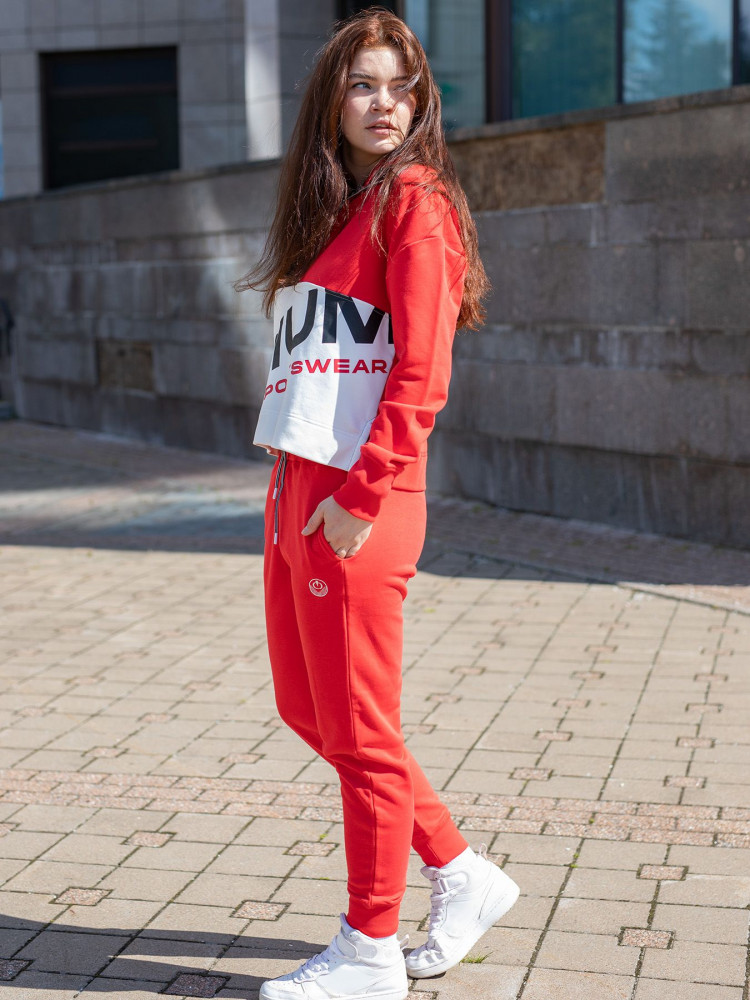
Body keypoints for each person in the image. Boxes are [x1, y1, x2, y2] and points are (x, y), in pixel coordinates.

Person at [236, 8, 519, 999]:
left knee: (360, 730)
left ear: (422, 101)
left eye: (402, 87)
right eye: (364, 84)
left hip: (361, 501)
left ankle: (368, 948)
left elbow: (422, 374)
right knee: (309, 709)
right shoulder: (336, 214)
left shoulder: (417, 202)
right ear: (333, 101)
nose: (385, 103)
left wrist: (361, 496)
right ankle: (462, 871)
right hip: (298, 494)